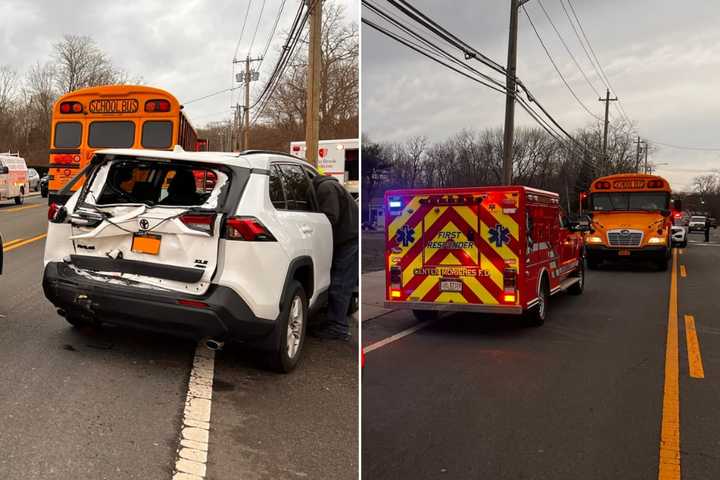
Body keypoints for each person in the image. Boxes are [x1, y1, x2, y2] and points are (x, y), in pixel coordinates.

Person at [311, 174, 358, 341]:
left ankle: (339, 327)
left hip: (348, 242)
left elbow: (330, 218)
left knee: (340, 285)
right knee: (342, 284)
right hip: (348, 240)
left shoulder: (326, 188)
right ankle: (334, 321)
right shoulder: (330, 186)